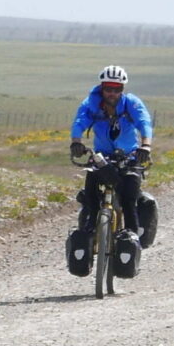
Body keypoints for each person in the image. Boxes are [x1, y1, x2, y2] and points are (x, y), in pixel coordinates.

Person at [70, 65, 153, 235]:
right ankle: (90, 227)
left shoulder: (131, 103)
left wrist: (145, 146)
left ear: (122, 89)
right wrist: (76, 142)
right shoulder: (91, 105)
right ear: (102, 88)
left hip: (129, 156)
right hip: (102, 156)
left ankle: (130, 236)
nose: (112, 93)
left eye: (117, 89)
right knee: (90, 192)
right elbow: (80, 122)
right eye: (108, 89)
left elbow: (144, 122)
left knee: (129, 200)